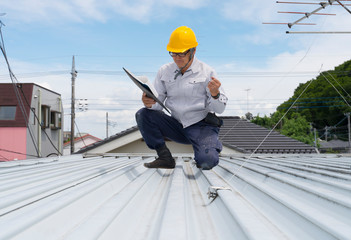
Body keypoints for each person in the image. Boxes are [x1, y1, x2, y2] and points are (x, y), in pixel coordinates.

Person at [135, 26, 228, 170]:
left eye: (182, 54)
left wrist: (215, 94)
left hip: (200, 126)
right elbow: (157, 107)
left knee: (206, 162)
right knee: (143, 114)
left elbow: (220, 109)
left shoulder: (207, 72)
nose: (177, 58)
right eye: (173, 53)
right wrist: (149, 103)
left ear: (193, 51)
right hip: (176, 125)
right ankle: (165, 157)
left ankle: (211, 145)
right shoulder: (164, 71)